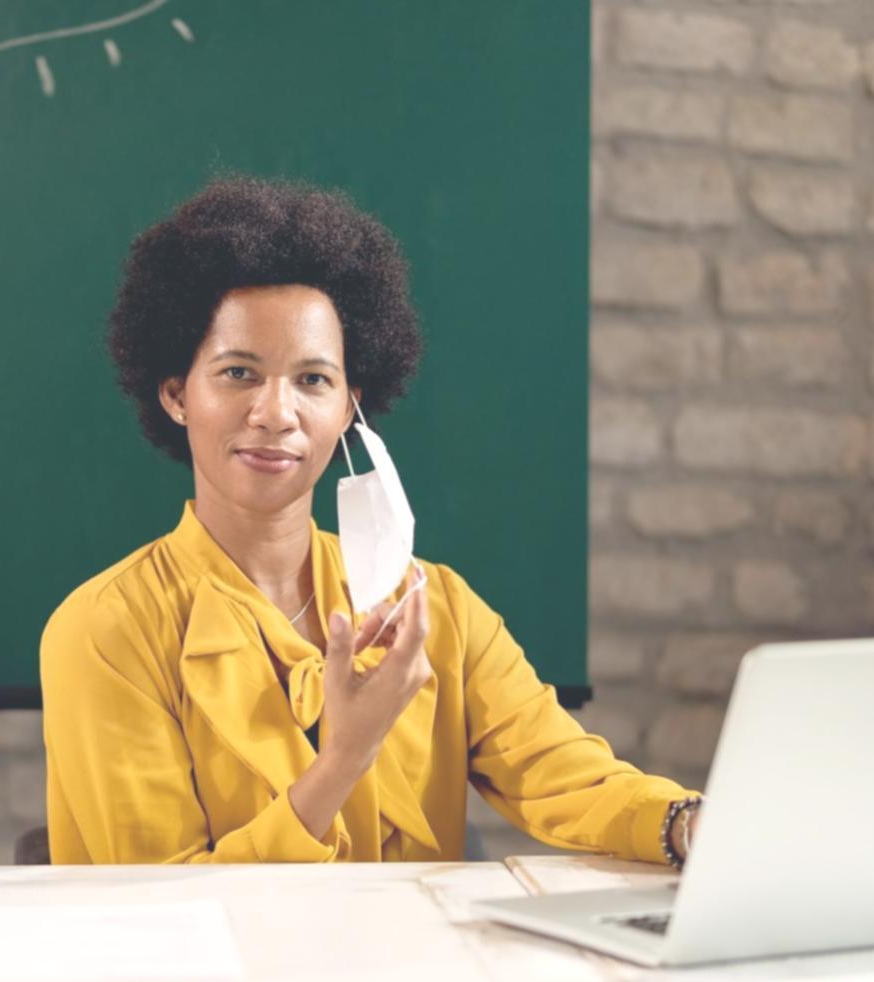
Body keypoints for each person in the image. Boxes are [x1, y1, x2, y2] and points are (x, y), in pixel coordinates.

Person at [39, 175, 704, 866]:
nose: (276, 413)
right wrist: (344, 761)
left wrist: (689, 823)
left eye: (313, 380)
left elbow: (571, 780)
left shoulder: (433, 608)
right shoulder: (104, 631)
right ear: (178, 395)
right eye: (238, 373)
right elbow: (159, 911)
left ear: (351, 407)